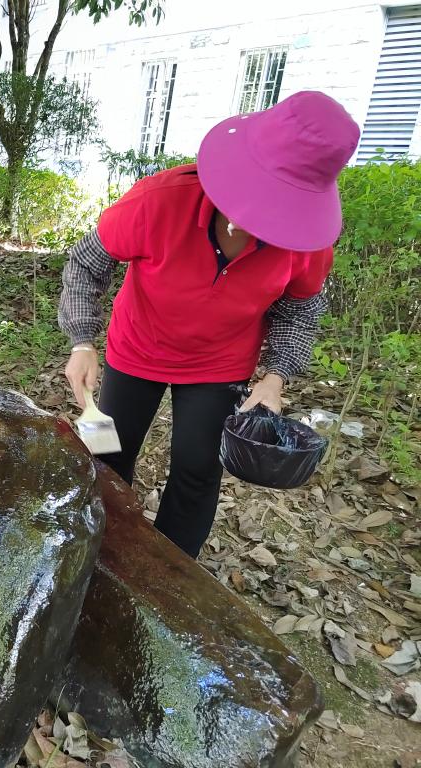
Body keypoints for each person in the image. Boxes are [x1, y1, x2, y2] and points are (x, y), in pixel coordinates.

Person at [59, 91, 360, 559]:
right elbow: (85, 264)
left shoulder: (305, 243)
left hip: (219, 364)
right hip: (138, 346)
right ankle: (102, 559)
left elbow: (300, 309)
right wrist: (82, 341)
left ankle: (170, 576)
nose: (257, 219)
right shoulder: (159, 201)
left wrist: (276, 376)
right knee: (107, 457)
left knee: (197, 470)